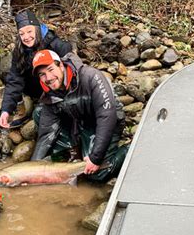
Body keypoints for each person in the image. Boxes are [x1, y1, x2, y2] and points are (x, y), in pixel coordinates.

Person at [30, 49, 128, 182]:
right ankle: (74, 151)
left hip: (109, 120)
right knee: (40, 113)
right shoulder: (49, 94)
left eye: (51, 69)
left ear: (61, 65)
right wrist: (31, 171)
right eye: (42, 74)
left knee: (97, 174)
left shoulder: (91, 77)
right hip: (81, 122)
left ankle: (130, 149)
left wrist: (95, 158)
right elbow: (46, 134)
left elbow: (107, 116)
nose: (48, 78)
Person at [0, 10, 72, 129]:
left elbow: (73, 70)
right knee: (9, 74)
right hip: (36, 85)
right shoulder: (19, 50)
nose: (26, 37)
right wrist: (6, 110)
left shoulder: (56, 44)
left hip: (56, 84)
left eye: (29, 31)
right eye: (21, 34)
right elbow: (14, 81)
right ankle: (21, 110)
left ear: (37, 29)